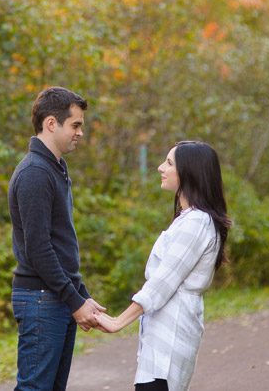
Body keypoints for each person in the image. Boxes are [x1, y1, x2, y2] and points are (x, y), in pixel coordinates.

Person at [96, 141, 232, 391]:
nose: (161, 168)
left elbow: (161, 284)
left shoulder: (197, 222)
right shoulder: (189, 219)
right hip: (164, 334)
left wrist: (117, 321)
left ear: (189, 173)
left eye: (169, 163)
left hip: (170, 337)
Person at [8, 86, 106, 391]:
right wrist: (74, 300)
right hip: (40, 299)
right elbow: (39, 250)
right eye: (75, 125)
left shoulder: (55, 168)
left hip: (55, 297)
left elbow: (61, 245)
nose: (80, 133)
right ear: (52, 123)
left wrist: (81, 295)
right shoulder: (35, 173)